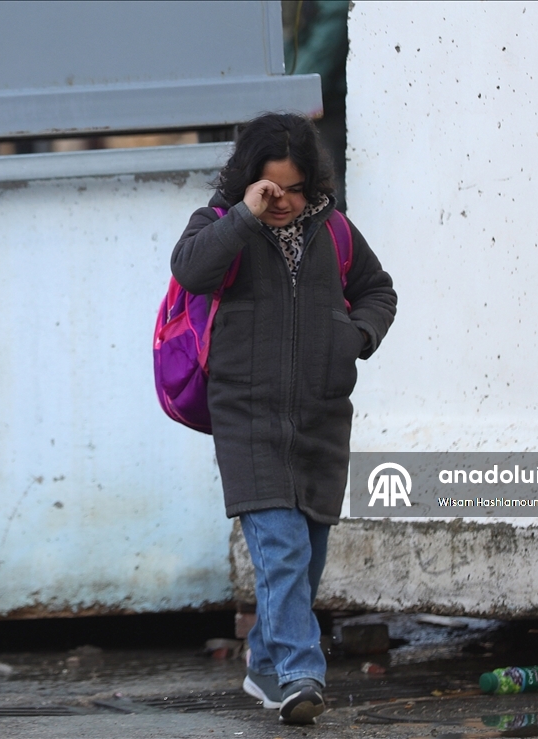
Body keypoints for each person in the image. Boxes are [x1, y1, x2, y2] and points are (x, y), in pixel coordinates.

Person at [170, 113, 396, 725]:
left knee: (309, 553)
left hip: (322, 417)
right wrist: (244, 215)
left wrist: (356, 337)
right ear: (248, 181)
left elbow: (379, 290)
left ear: (312, 185)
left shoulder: (336, 231)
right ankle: (301, 673)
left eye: (294, 189)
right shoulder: (220, 225)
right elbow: (189, 269)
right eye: (269, 188)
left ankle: (266, 667)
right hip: (248, 419)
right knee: (282, 550)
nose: (282, 201)